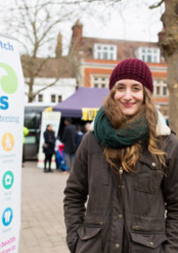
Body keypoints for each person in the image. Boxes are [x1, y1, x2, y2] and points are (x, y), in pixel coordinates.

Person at [63, 58, 178, 253]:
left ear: (146, 94)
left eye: (135, 88)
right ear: (112, 92)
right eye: (120, 87)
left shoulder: (166, 142)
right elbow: (74, 194)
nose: (127, 96)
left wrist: (171, 249)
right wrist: (76, 241)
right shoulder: (92, 140)